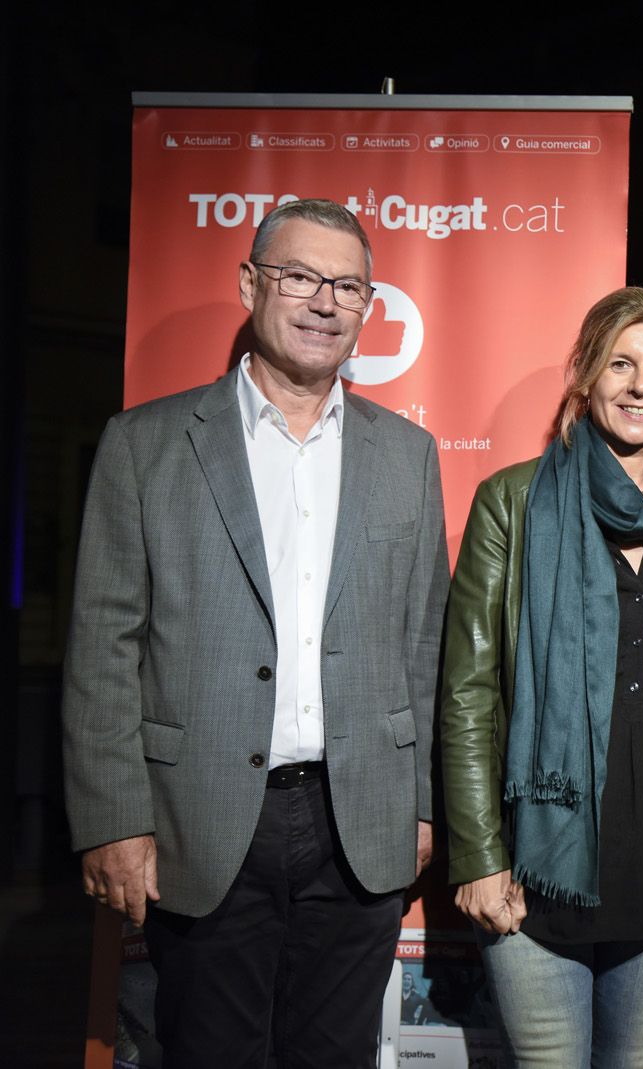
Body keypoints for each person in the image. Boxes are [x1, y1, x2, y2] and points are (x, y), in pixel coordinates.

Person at [63, 198, 449, 1068]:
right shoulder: (145, 445)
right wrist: (113, 819)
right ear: (250, 284)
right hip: (199, 820)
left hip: (360, 823)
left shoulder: (407, 454)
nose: (325, 302)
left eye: (348, 285)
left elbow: (424, 640)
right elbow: (102, 646)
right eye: (301, 276)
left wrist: (421, 799)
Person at [440, 287, 643, 1068]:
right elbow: (468, 691)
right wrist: (478, 854)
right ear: (586, 376)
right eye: (621, 363)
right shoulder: (515, 500)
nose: (641, 385)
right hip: (539, 866)